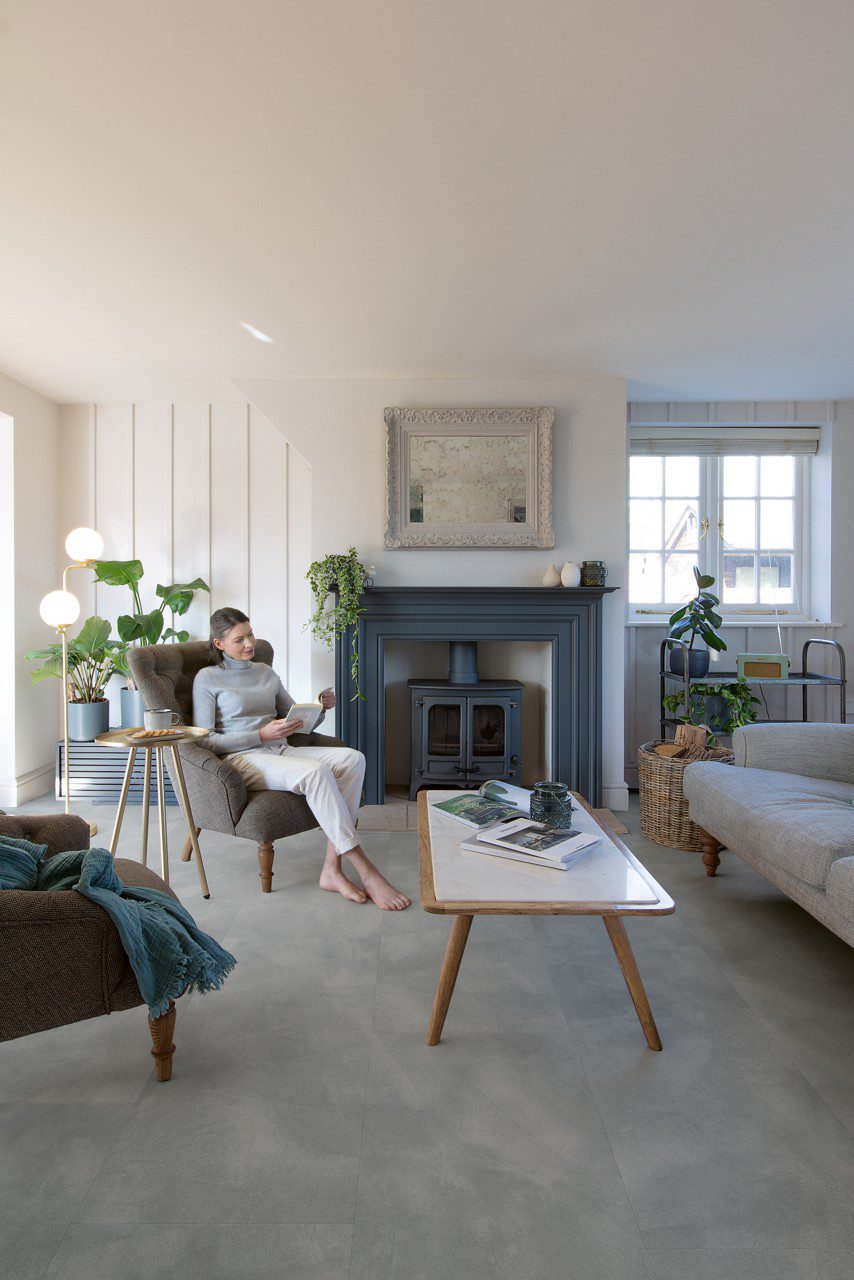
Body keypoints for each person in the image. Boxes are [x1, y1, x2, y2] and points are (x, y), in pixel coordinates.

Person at [192, 607, 411, 911]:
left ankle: (331, 870)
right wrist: (261, 735)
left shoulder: (266, 673)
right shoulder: (208, 679)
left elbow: (299, 723)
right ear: (219, 644)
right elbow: (206, 740)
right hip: (242, 758)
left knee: (353, 759)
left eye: (250, 634)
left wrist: (321, 709)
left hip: (281, 750)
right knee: (317, 772)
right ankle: (365, 870)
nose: (249, 644)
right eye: (239, 639)